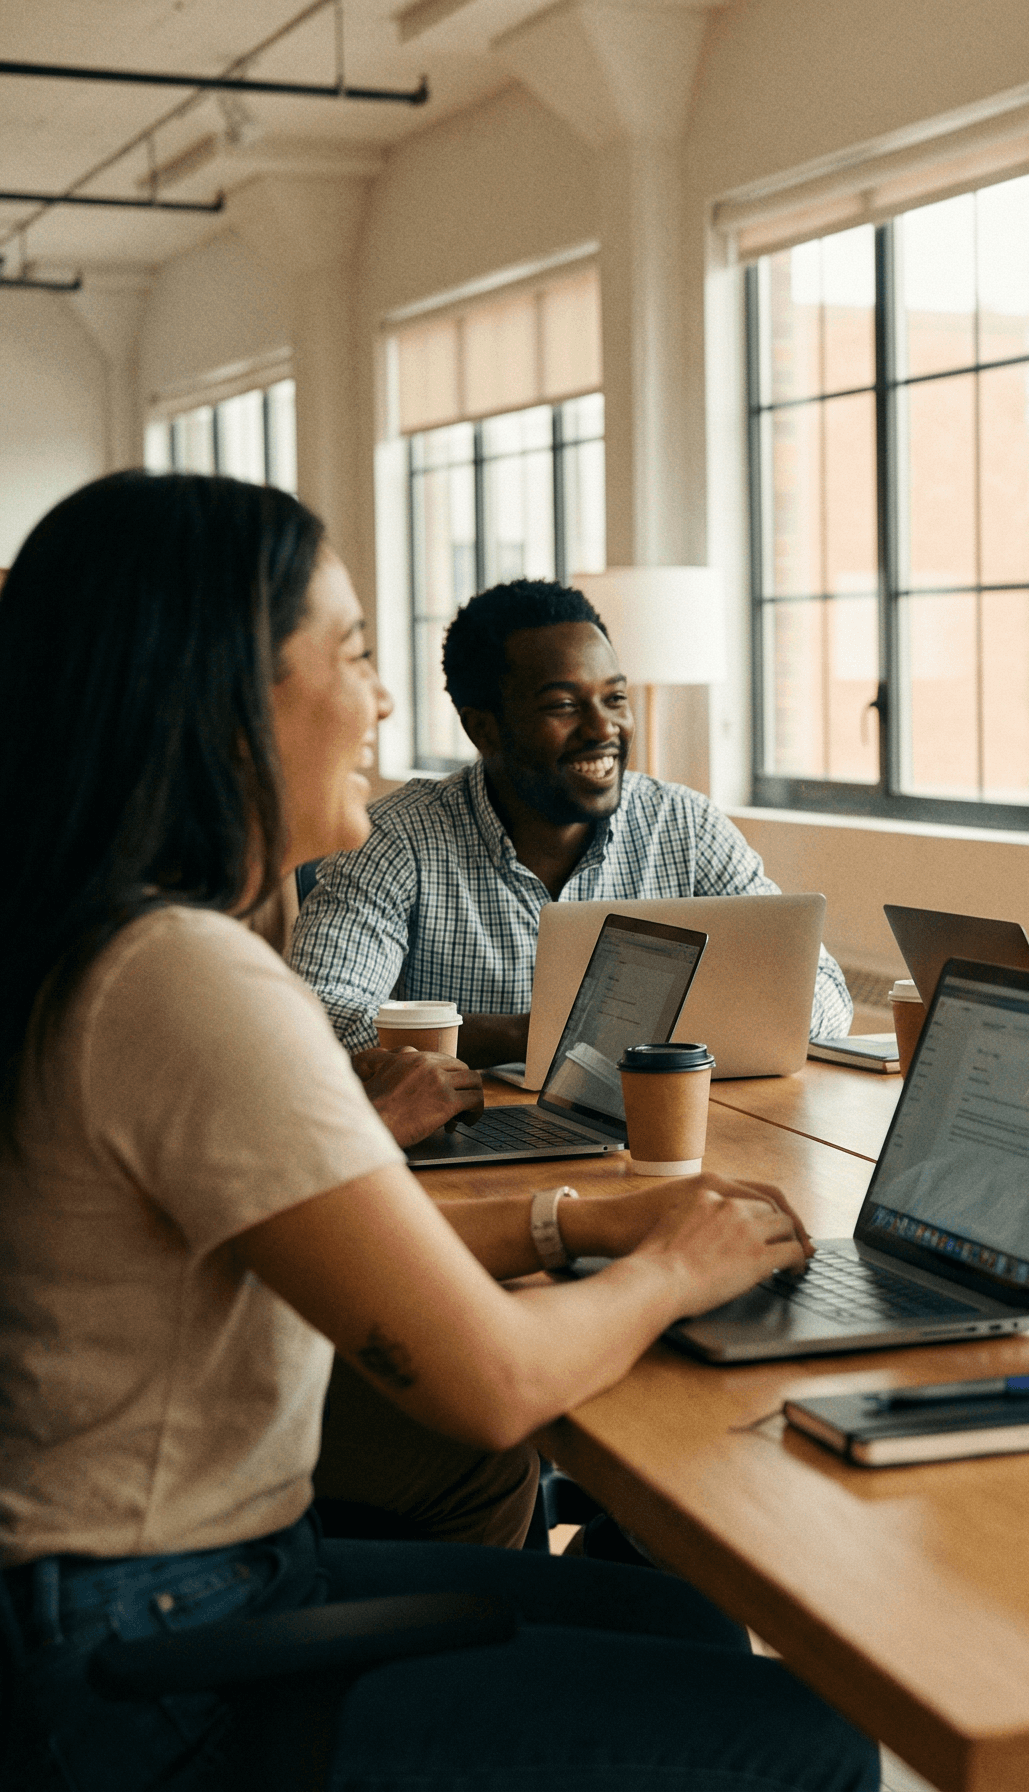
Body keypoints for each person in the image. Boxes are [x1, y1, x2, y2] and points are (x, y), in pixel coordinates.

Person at [0, 471, 879, 1792]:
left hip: (157, 1591)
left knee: (682, 1620)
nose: (385, 701)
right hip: (152, 1662)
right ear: (221, 690)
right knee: (803, 1745)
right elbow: (498, 1387)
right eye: (351, 652)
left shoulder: (107, 941)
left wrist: (581, 1218)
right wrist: (677, 1266)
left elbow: (332, 1230)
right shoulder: (183, 979)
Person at [288, 577, 851, 1119]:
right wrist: (516, 1036)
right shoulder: (397, 838)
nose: (602, 728)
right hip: (472, 1142)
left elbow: (823, 995)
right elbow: (314, 1016)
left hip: (666, 1126)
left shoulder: (685, 823)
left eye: (615, 698)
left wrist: (669, 1036)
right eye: (563, 705)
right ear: (483, 729)